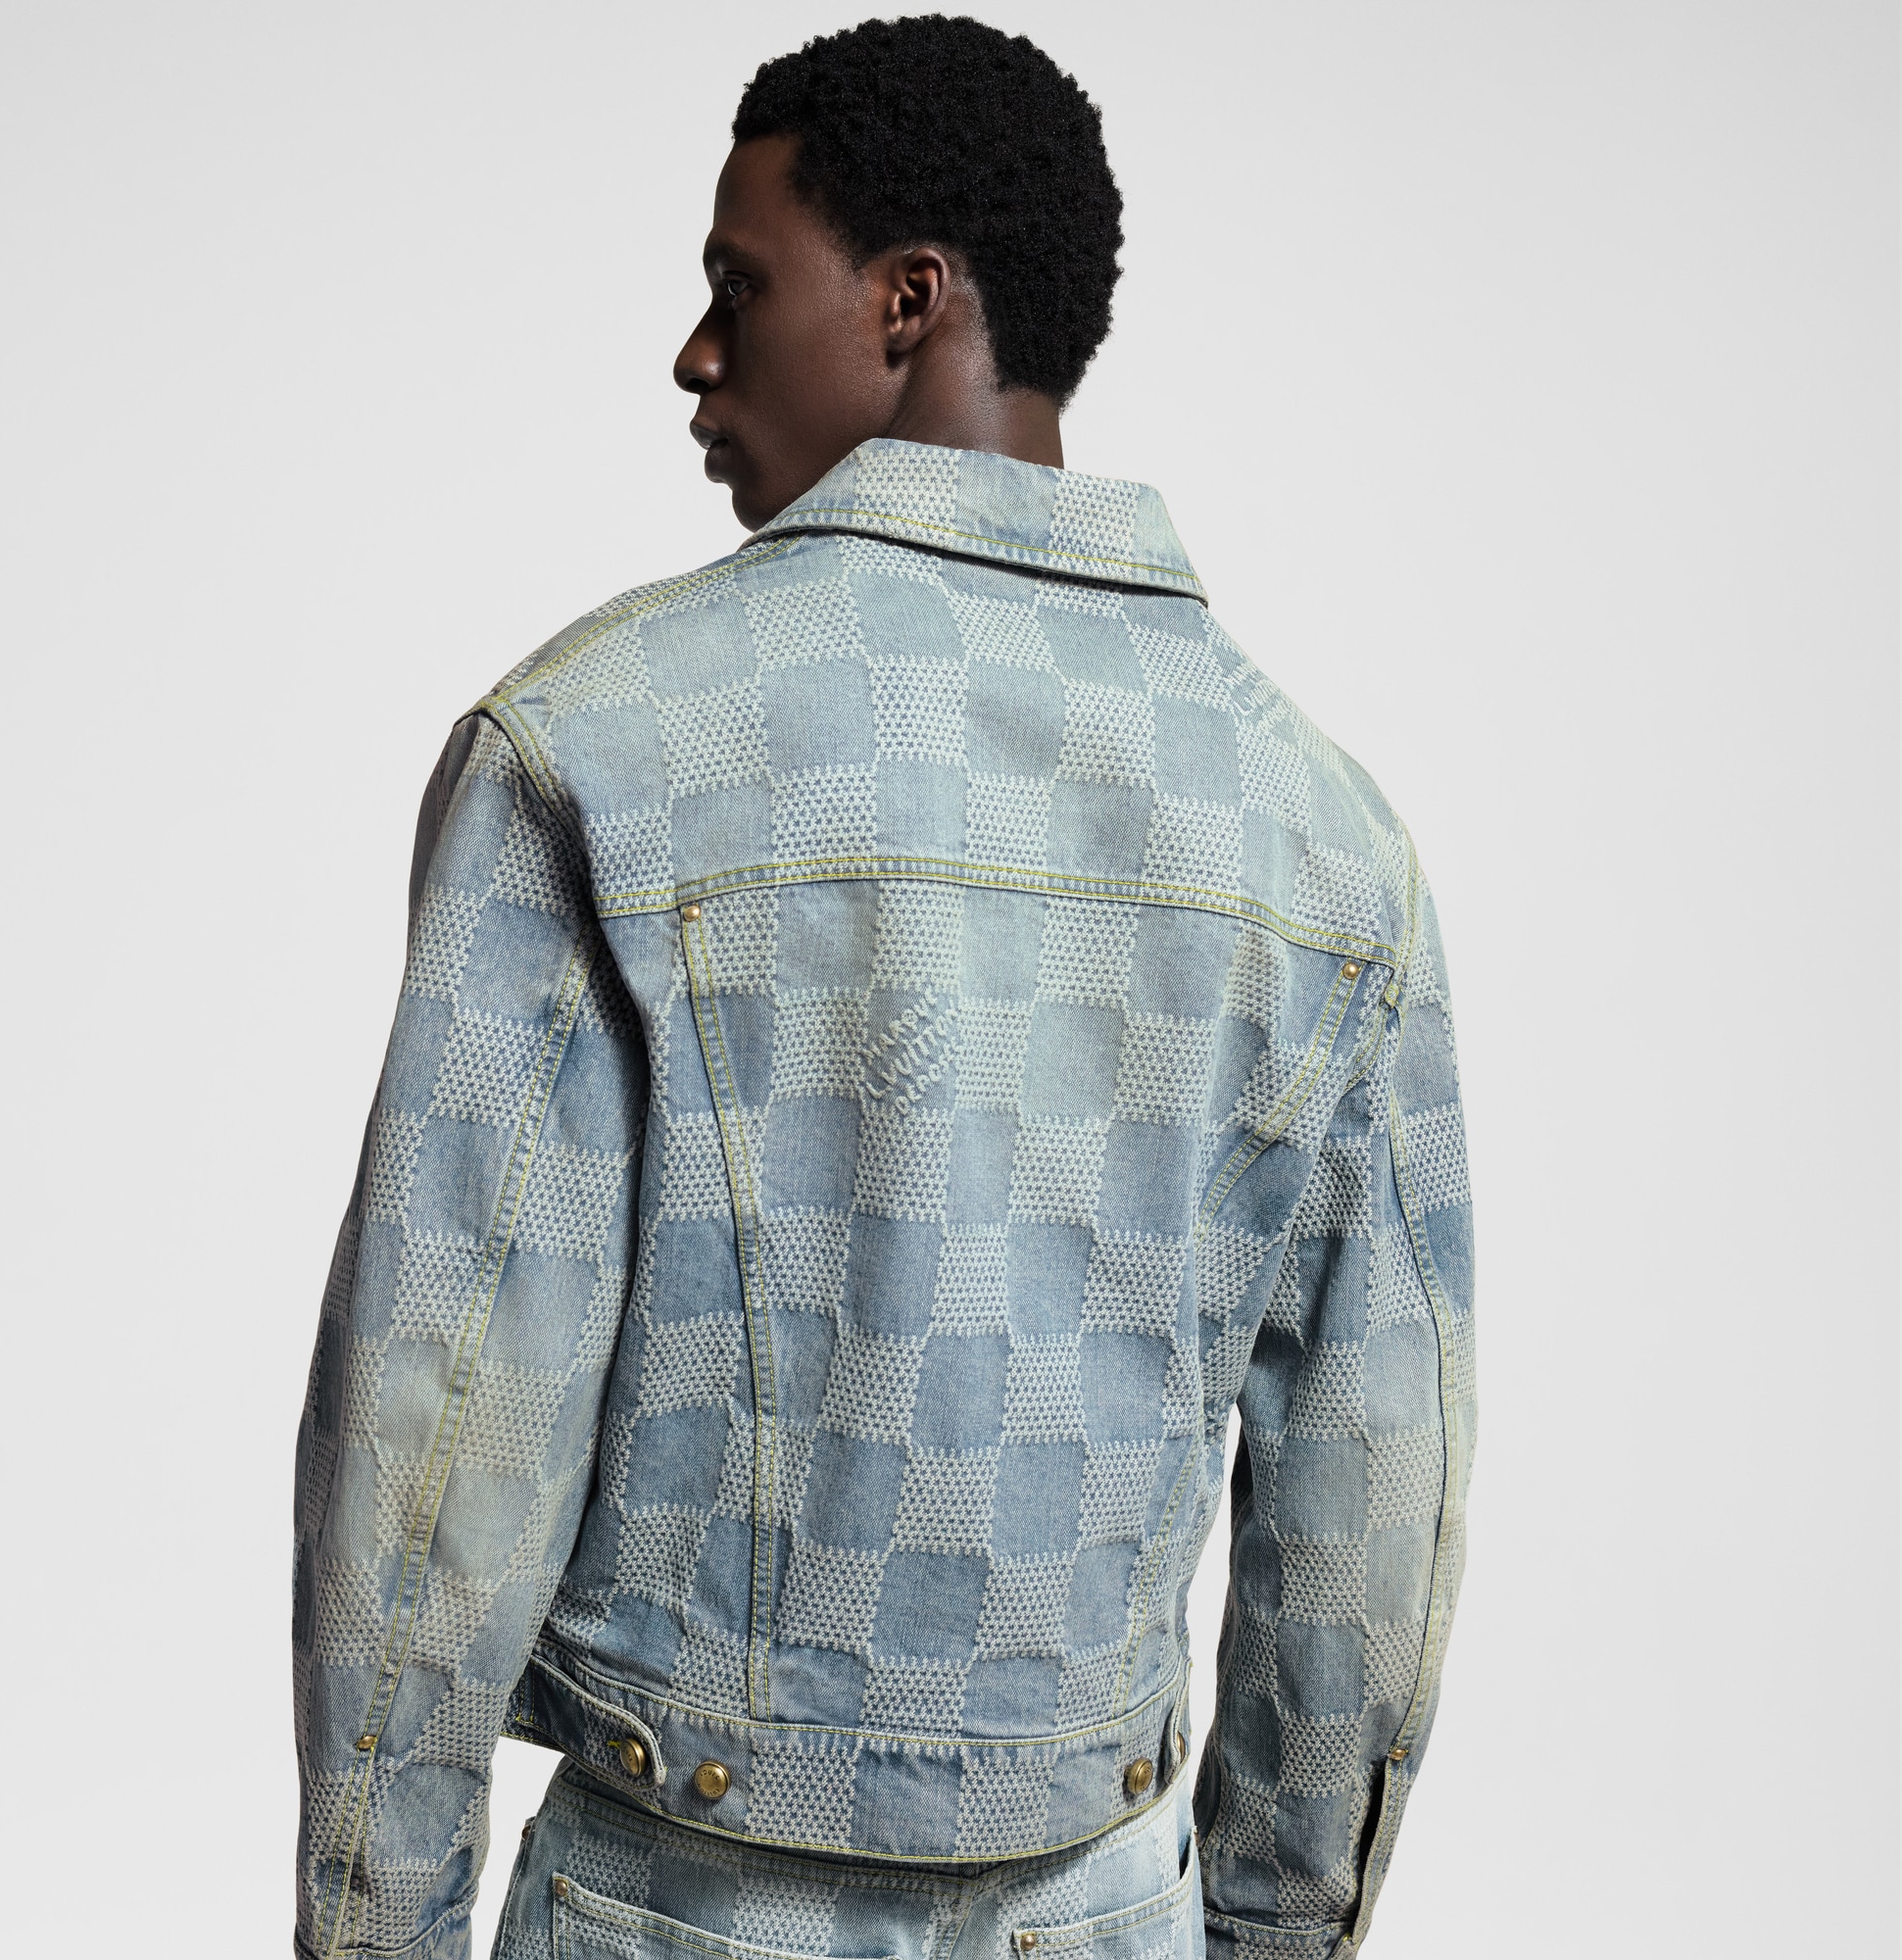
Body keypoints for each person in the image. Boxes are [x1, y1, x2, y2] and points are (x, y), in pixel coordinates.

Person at [291, 18, 1474, 1960]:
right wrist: (1266, 1933)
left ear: (909, 301)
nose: (694, 354)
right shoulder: (1328, 846)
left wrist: (371, 1930)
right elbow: (1368, 1520)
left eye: (737, 286)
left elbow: (434, 1453)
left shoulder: (601, 748)